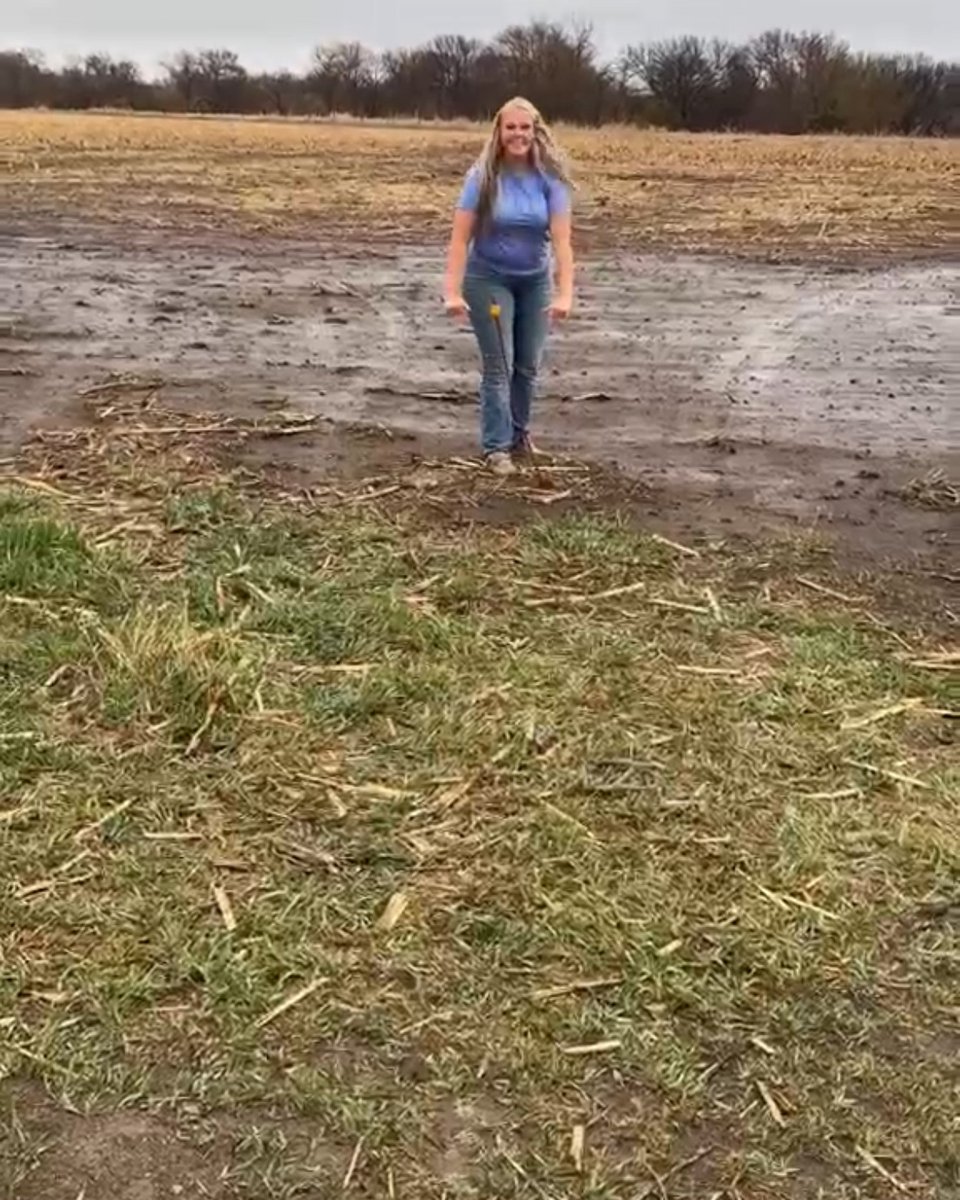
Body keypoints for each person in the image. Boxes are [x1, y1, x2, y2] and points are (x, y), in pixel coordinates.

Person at [443, 97, 574, 475]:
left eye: (525, 128)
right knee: (499, 365)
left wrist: (565, 293)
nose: (518, 134)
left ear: (536, 132)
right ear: (499, 133)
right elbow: (458, 239)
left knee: (528, 365)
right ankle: (495, 448)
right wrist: (451, 291)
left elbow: (563, 243)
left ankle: (519, 438)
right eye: (511, 127)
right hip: (489, 279)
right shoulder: (482, 178)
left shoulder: (551, 180)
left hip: (534, 281)